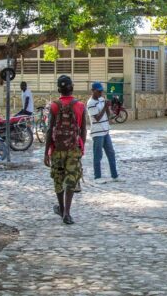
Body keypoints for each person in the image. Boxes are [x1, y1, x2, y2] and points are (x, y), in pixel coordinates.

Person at [45, 75, 87, 225]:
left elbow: (49, 130)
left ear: (58, 89)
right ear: (72, 87)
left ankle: (61, 209)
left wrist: (46, 152)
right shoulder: (80, 106)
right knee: (71, 179)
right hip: (74, 148)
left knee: (58, 179)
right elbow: (83, 130)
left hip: (57, 149)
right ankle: (67, 214)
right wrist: (82, 147)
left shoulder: (54, 106)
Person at [87, 82, 120, 182]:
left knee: (111, 153)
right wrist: (105, 107)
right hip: (97, 133)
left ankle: (114, 175)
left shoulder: (102, 99)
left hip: (105, 131)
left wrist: (109, 108)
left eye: (101, 91)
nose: (101, 93)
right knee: (98, 155)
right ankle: (97, 177)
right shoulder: (91, 103)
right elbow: (97, 118)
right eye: (99, 91)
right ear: (93, 91)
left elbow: (108, 115)